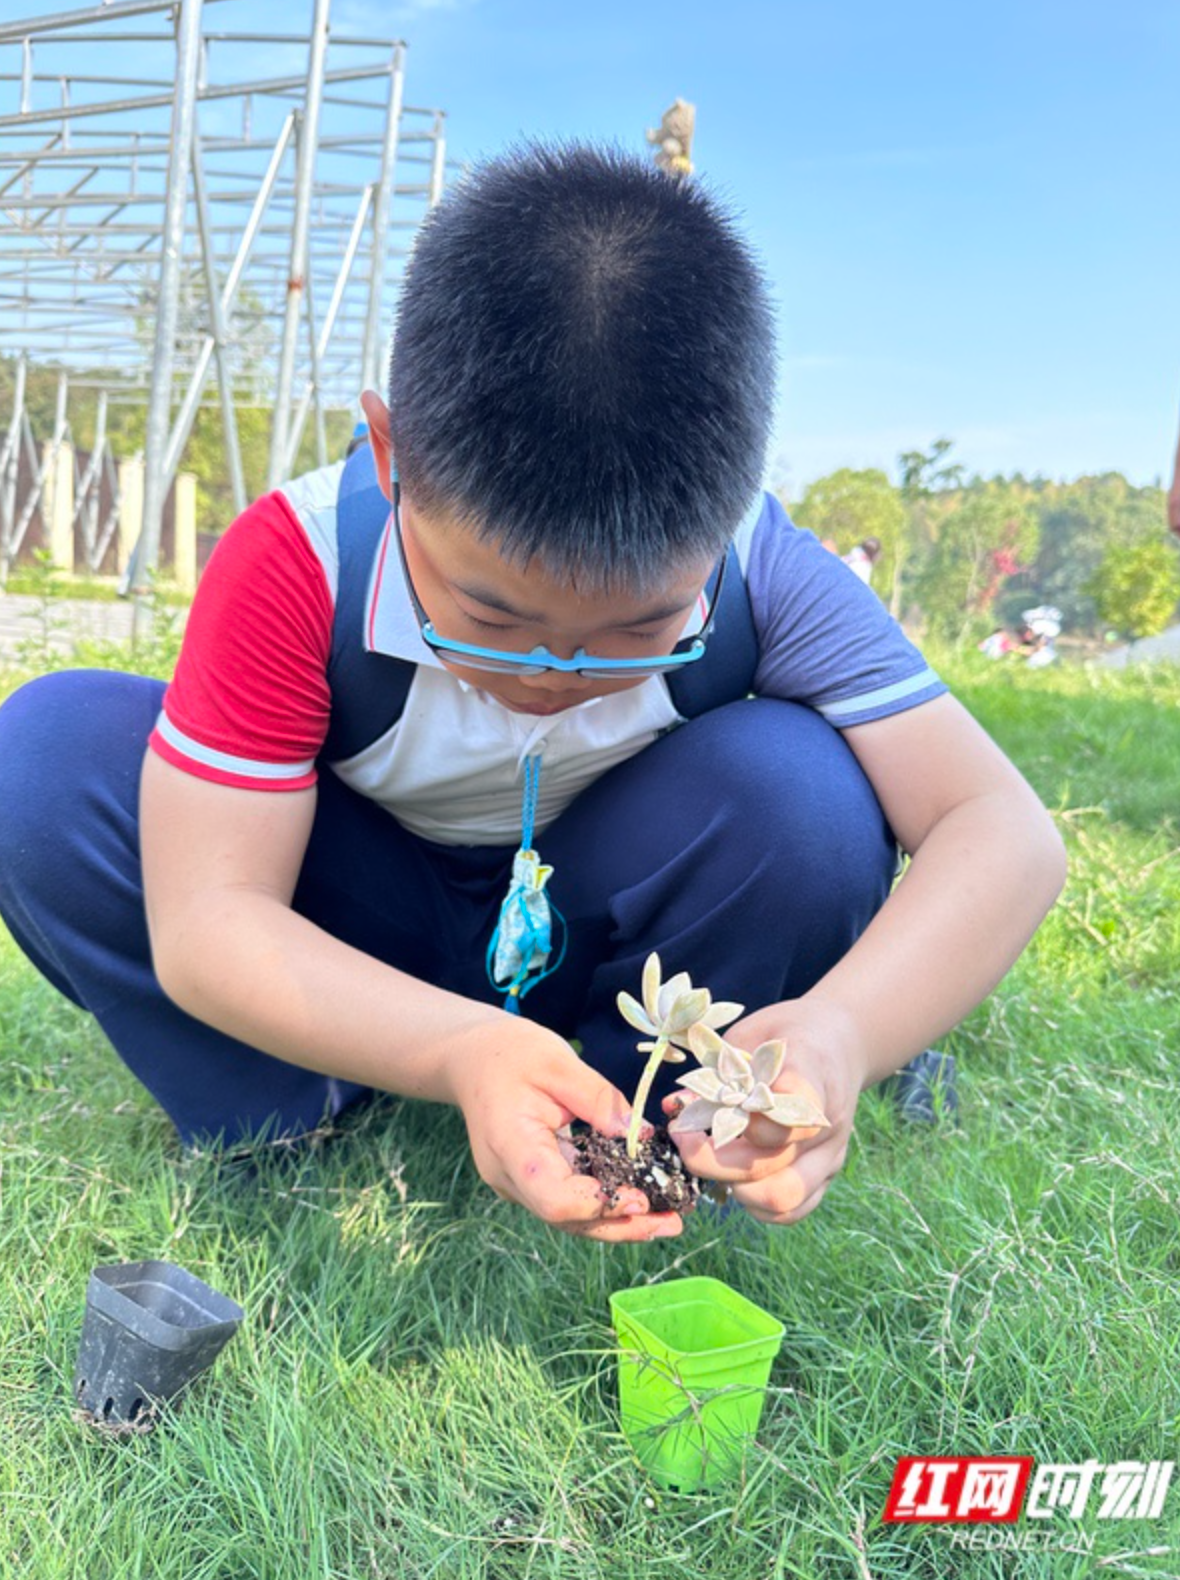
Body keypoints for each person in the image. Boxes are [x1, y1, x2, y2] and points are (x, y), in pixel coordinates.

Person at [0, 144, 1066, 1242]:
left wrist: (846, 1025)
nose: (546, 674)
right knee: (44, 757)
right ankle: (295, 1108)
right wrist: (457, 1046)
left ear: (732, 510)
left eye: (637, 630)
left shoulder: (767, 570)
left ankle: (630, 1121)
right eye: (491, 615)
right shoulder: (300, 563)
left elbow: (1003, 831)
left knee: (801, 794)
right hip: (361, 926)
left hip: (607, 937)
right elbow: (210, 917)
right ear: (388, 452)